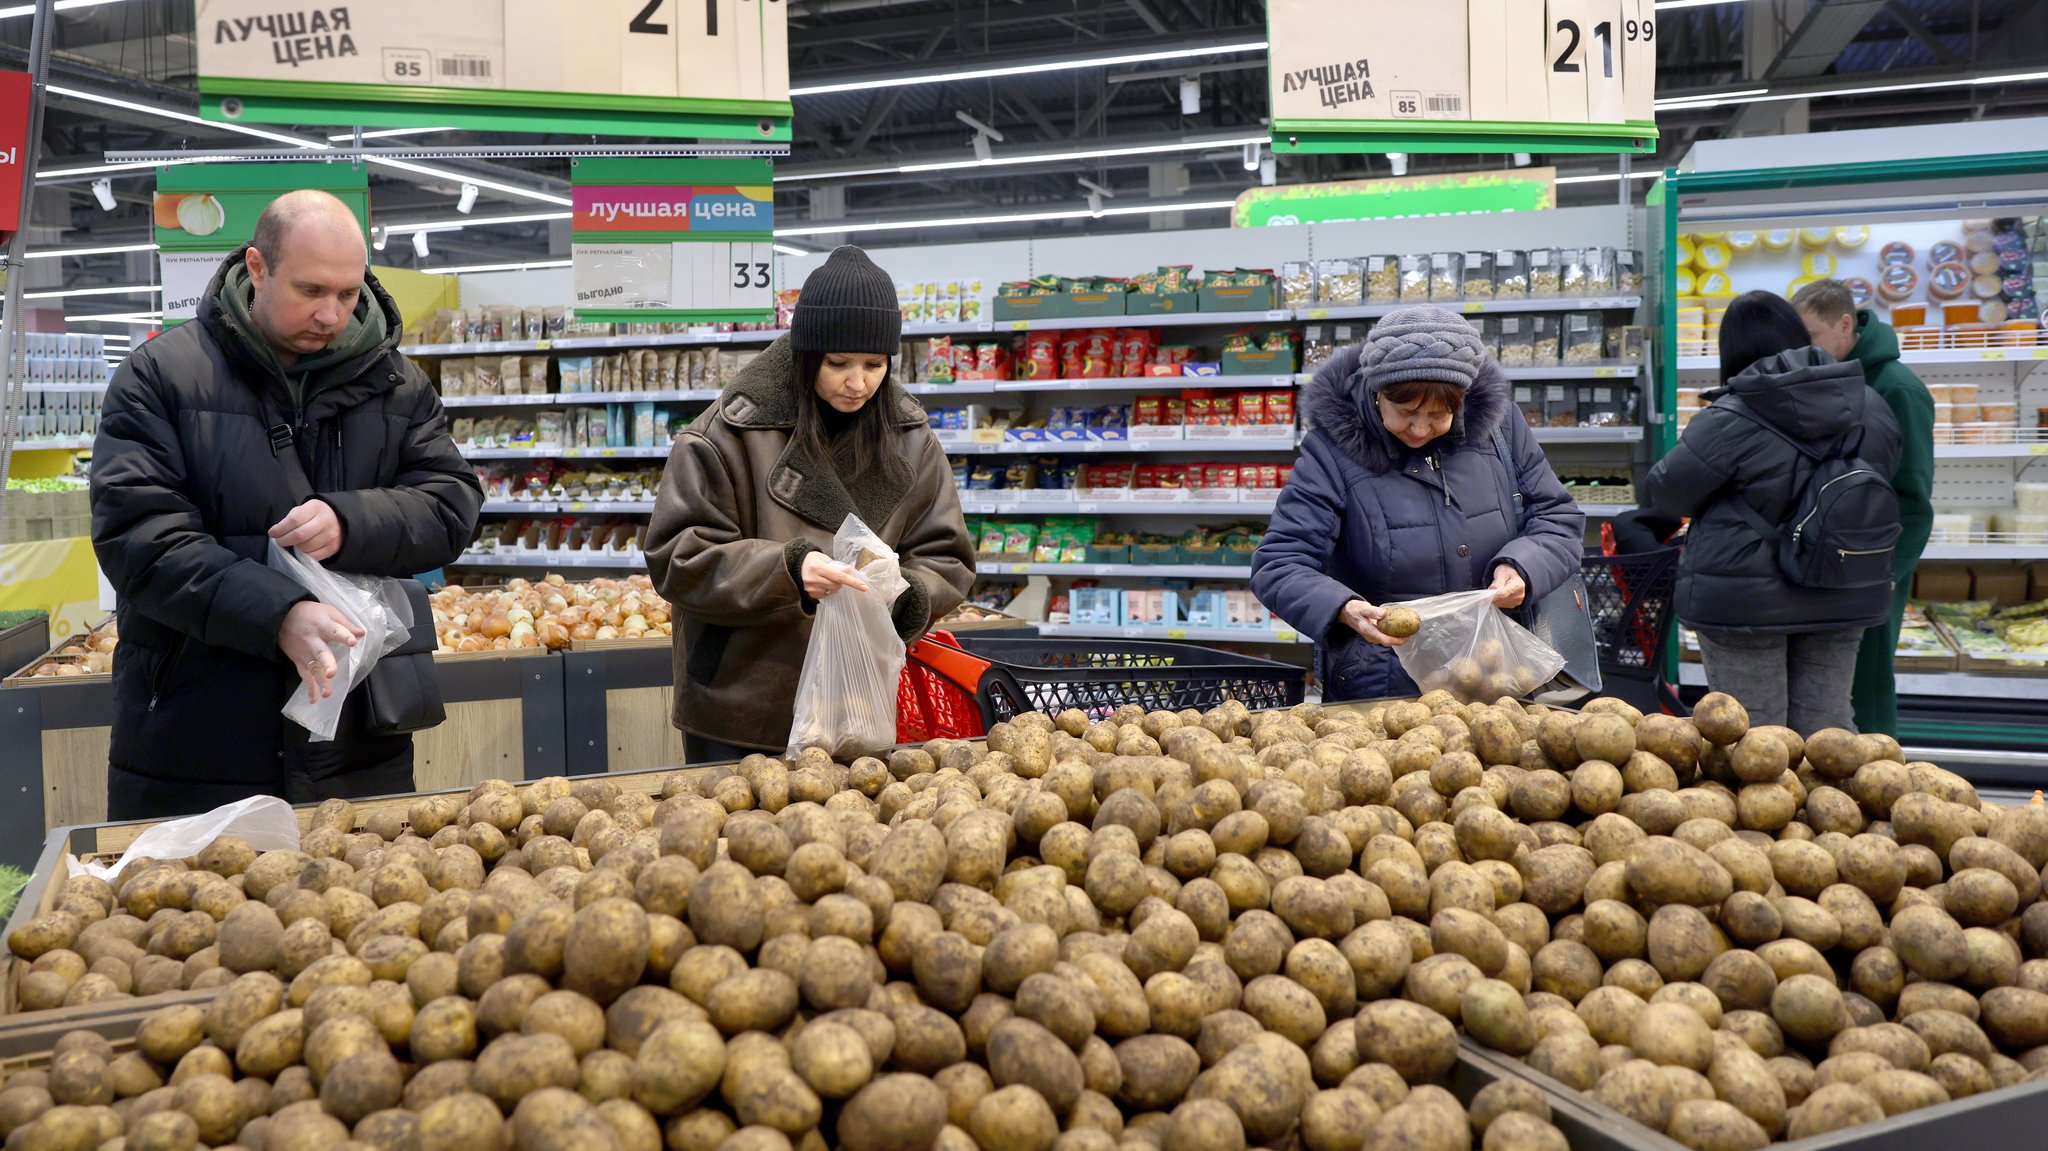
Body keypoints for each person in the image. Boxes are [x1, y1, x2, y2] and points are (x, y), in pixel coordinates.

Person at [91, 189, 482, 819]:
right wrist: (279, 613)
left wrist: (351, 520)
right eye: (310, 291)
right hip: (201, 732)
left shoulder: (396, 384)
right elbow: (140, 538)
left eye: (349, 294)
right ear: (257, 268)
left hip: (354, 736)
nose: (332, 314)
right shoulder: (160, 377)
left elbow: (451, 502)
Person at [646, 245, 976, 763]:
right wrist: (788, 568)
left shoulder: (911, 439)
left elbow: (945, 554)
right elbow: (679, 556)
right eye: (838, 362)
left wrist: (908, 594)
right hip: (743, 699)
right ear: (805, 356)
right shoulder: (725, 435)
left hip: (857, 700)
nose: (858, 382)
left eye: (874, 364)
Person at [1251, 306, 1586, 701]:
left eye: (1439, 414)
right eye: (1406, 412)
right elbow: (1279, 564)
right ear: (1378, 395)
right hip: (1383, 688)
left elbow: (1557, 518)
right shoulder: (1332, 452)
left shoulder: (1501, 431)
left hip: (1495, 679)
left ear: (1461, 400)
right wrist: (1344, 608)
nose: (1421, 428)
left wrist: (1523, 567)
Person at [1643, 291, 1901, 732]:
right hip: (1843, 586)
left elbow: (1667, 493)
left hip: (1745, 600)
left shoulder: (1730, 416)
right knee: (1829, 734)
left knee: (1751, 737)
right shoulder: (1869, 405)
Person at [1793, 279, 1935, 737]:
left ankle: (1880, 781)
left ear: (1845, 324)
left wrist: (1889, 571)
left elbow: (1914, 497)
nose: (1803, 349)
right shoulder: (1829, 378)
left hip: (1874, 561)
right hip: (1829, 558)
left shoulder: (1899, 389)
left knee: (1868, 681)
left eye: (1811, 336)